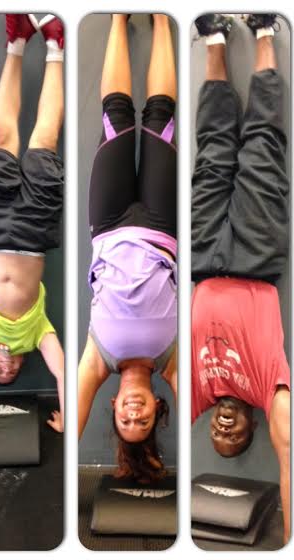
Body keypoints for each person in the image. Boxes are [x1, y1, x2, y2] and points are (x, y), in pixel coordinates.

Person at [190, 14, 291, 543]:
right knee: (263, 145)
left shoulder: (199, 391)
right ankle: (267, 31)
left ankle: (214, 37)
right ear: (252, 425)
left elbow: (148, 401)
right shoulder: (264, 389)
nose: (224, 429)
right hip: (256, 255)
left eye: (218, 436)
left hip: (204, 255)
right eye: (235, 436)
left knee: (212, 152)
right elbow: (288, 445)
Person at [77, 14, 178, 483]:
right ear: (159, 408)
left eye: (125, 421)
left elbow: (71, 427)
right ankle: (162, 17)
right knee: (160, 115)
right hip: (162, 225)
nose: (134, 416)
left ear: (113, 406)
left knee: (116, 114)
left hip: (110, 221)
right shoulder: (170, 360)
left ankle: (118, 14)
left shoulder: (97, 362)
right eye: (144, 421)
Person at [0, 13, 65, 432]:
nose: (6, 370)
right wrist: (67, 416)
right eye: (10, 374)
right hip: (32, 234)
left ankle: (16, 41)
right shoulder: (36, 334)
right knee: (44, 142)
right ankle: (55, 48)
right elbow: (63, 370)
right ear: (21, 361)